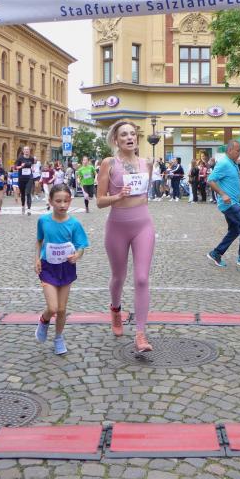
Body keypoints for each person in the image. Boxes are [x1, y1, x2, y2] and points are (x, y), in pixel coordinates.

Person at [96, 120, 155, 352]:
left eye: (132, 134)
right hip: (117, 226)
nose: (129, 138)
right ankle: (115, 309)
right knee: (118, 277)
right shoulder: (109, 163)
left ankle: (140, 334)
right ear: (116, 140)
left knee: (141, 278)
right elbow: (100, 201)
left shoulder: (146, 163)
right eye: (124, 135)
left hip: (143, 225)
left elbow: (145, 195)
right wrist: (118, 196)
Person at [34, 183, 89, 355]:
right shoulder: (43, 220)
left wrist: (77, 255)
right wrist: (37, 258)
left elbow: (81, 245)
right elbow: (39, 240)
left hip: (66, 267)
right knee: (52, 308)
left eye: (66, 201)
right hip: (48, 267)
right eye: (58, 201)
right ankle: (44, 321)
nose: (62, 205)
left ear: (70, 201)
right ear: (50, 201)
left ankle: (58, 338)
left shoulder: (74, 224)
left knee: (62, 309)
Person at [207, 140, 240, 270]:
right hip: (229, 204)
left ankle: (216, 253)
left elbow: (234, 180)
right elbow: (210, 180)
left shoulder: (233, 164)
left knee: (235, 230)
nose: (239, 153)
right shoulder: (224, 163)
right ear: (230, 150)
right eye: (237, 150)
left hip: (233, 202)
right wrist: (222, 194)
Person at [16, 146, 35, 215]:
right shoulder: (20, 158)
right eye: (25, 149)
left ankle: (29, 209)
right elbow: (16, 167)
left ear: (29, 151)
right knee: (23, 194)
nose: (26, 151)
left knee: (28, 193)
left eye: (28, 149)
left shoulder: (31, 158)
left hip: (29, 177)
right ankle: (23, 206)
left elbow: (32, 165)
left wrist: (33, 168)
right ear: (23, 151)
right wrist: (21, 166)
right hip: (21, 178)